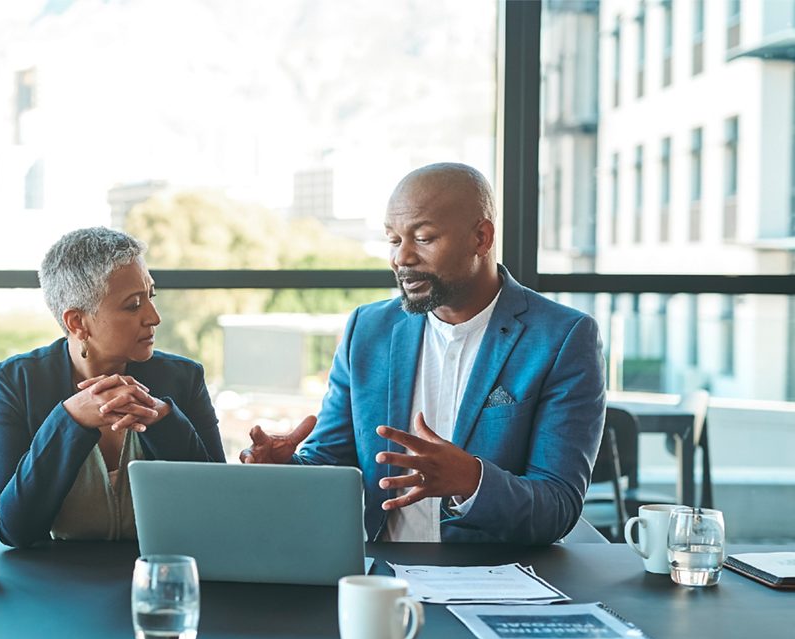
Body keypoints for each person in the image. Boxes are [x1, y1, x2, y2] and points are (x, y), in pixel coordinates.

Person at [241, 163, 605, 544]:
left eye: (424, 238)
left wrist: (472, 481)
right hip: (380, 575)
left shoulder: (563, 338)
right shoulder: (366, 330)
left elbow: (559, 505)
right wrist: (284, 471)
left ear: (481, 238)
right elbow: (330, 465)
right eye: (394, 240)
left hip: (495, 579)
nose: (402, 258)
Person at [0, 227, 224, 547]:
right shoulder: (16, 383)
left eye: (150, 297)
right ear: (77, 323)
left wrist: (166, 421)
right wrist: (69, 421)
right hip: (53, 585)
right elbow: (11, 529)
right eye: (133, 305)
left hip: (159, 575)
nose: (154, 317)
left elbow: (217, 507)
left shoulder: (184, 379)